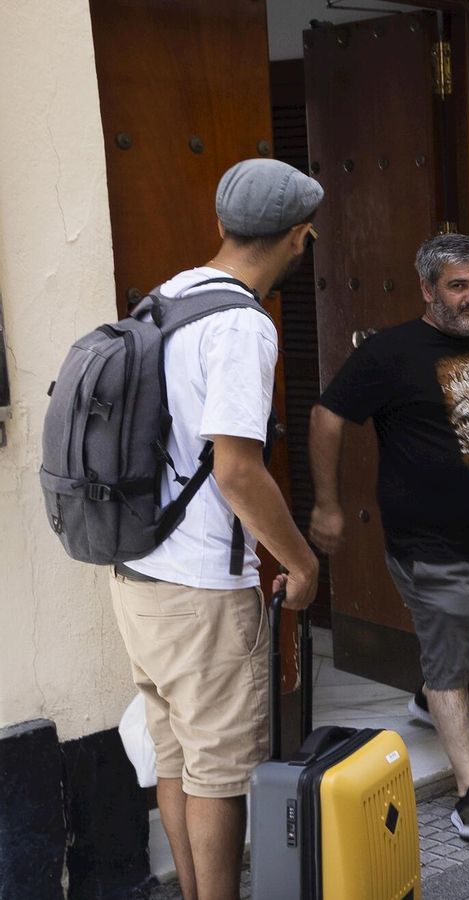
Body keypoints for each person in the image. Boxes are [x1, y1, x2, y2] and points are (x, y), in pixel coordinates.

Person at [308, 233, 469, 841]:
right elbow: (327, 415)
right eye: (458, 285)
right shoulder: (390, 354)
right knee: (453, 651)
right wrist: (327, 503)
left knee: (464, 632)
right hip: (427, 544)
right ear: (429, 289)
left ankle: (429, 701)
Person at [109, 158, 322, 900]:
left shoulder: (162, 300)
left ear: (222, 225)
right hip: (201, 587)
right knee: (221, 776)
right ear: (298, 239)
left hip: (137, 573)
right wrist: (299, 561)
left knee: (175, 761)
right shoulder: (240, 324)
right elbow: (236, 468)